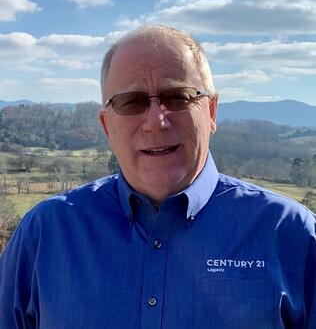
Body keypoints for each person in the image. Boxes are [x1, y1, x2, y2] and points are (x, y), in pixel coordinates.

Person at [0, 25, 315, 329]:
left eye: (177, 96)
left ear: (212, 112)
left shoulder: (290, 234)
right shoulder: (45, 234)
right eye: (131, 101)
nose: (156, 122)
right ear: (107, 126)